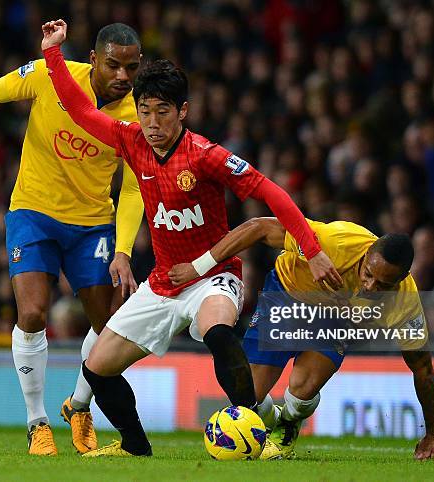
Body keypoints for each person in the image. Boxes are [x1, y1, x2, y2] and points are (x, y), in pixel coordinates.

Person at [40, 19, 342, 457]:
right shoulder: (131, 141)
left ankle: (256, 437)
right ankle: (135, 447)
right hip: (162, 282)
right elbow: (81, 110)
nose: (152, 121)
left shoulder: (205, 155)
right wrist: (52, 53)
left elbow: (270, 191)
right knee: (97, 369)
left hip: (214, 276)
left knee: (218, 331)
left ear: (182, 111)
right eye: (144, 110)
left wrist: (311, 250)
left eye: (163, 111)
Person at [0, 23, 145, 456]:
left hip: (93, 224)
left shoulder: (138, 115)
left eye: (132, 68)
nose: (123, 76)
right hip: (33, 212)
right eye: (115, 65)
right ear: (94, 59)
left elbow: (135, 186)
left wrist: (122, 250)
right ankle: (37, 422)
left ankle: (80, 407)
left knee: (107, 326)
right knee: (32, 311)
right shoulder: (52, 74)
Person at [169, 217, 434, 461]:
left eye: (383, 285)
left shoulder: (405, 302)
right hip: (287, 293)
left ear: (403, 278)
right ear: (367, 253)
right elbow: (260, 227)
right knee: (248, 396)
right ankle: (275, 418)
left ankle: (288, 424)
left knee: (302, 387)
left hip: (335, 318)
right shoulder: (334, 242)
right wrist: (200, 266)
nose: (370, 286)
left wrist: (433, 433)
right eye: (368, 274)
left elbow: (423, 370)